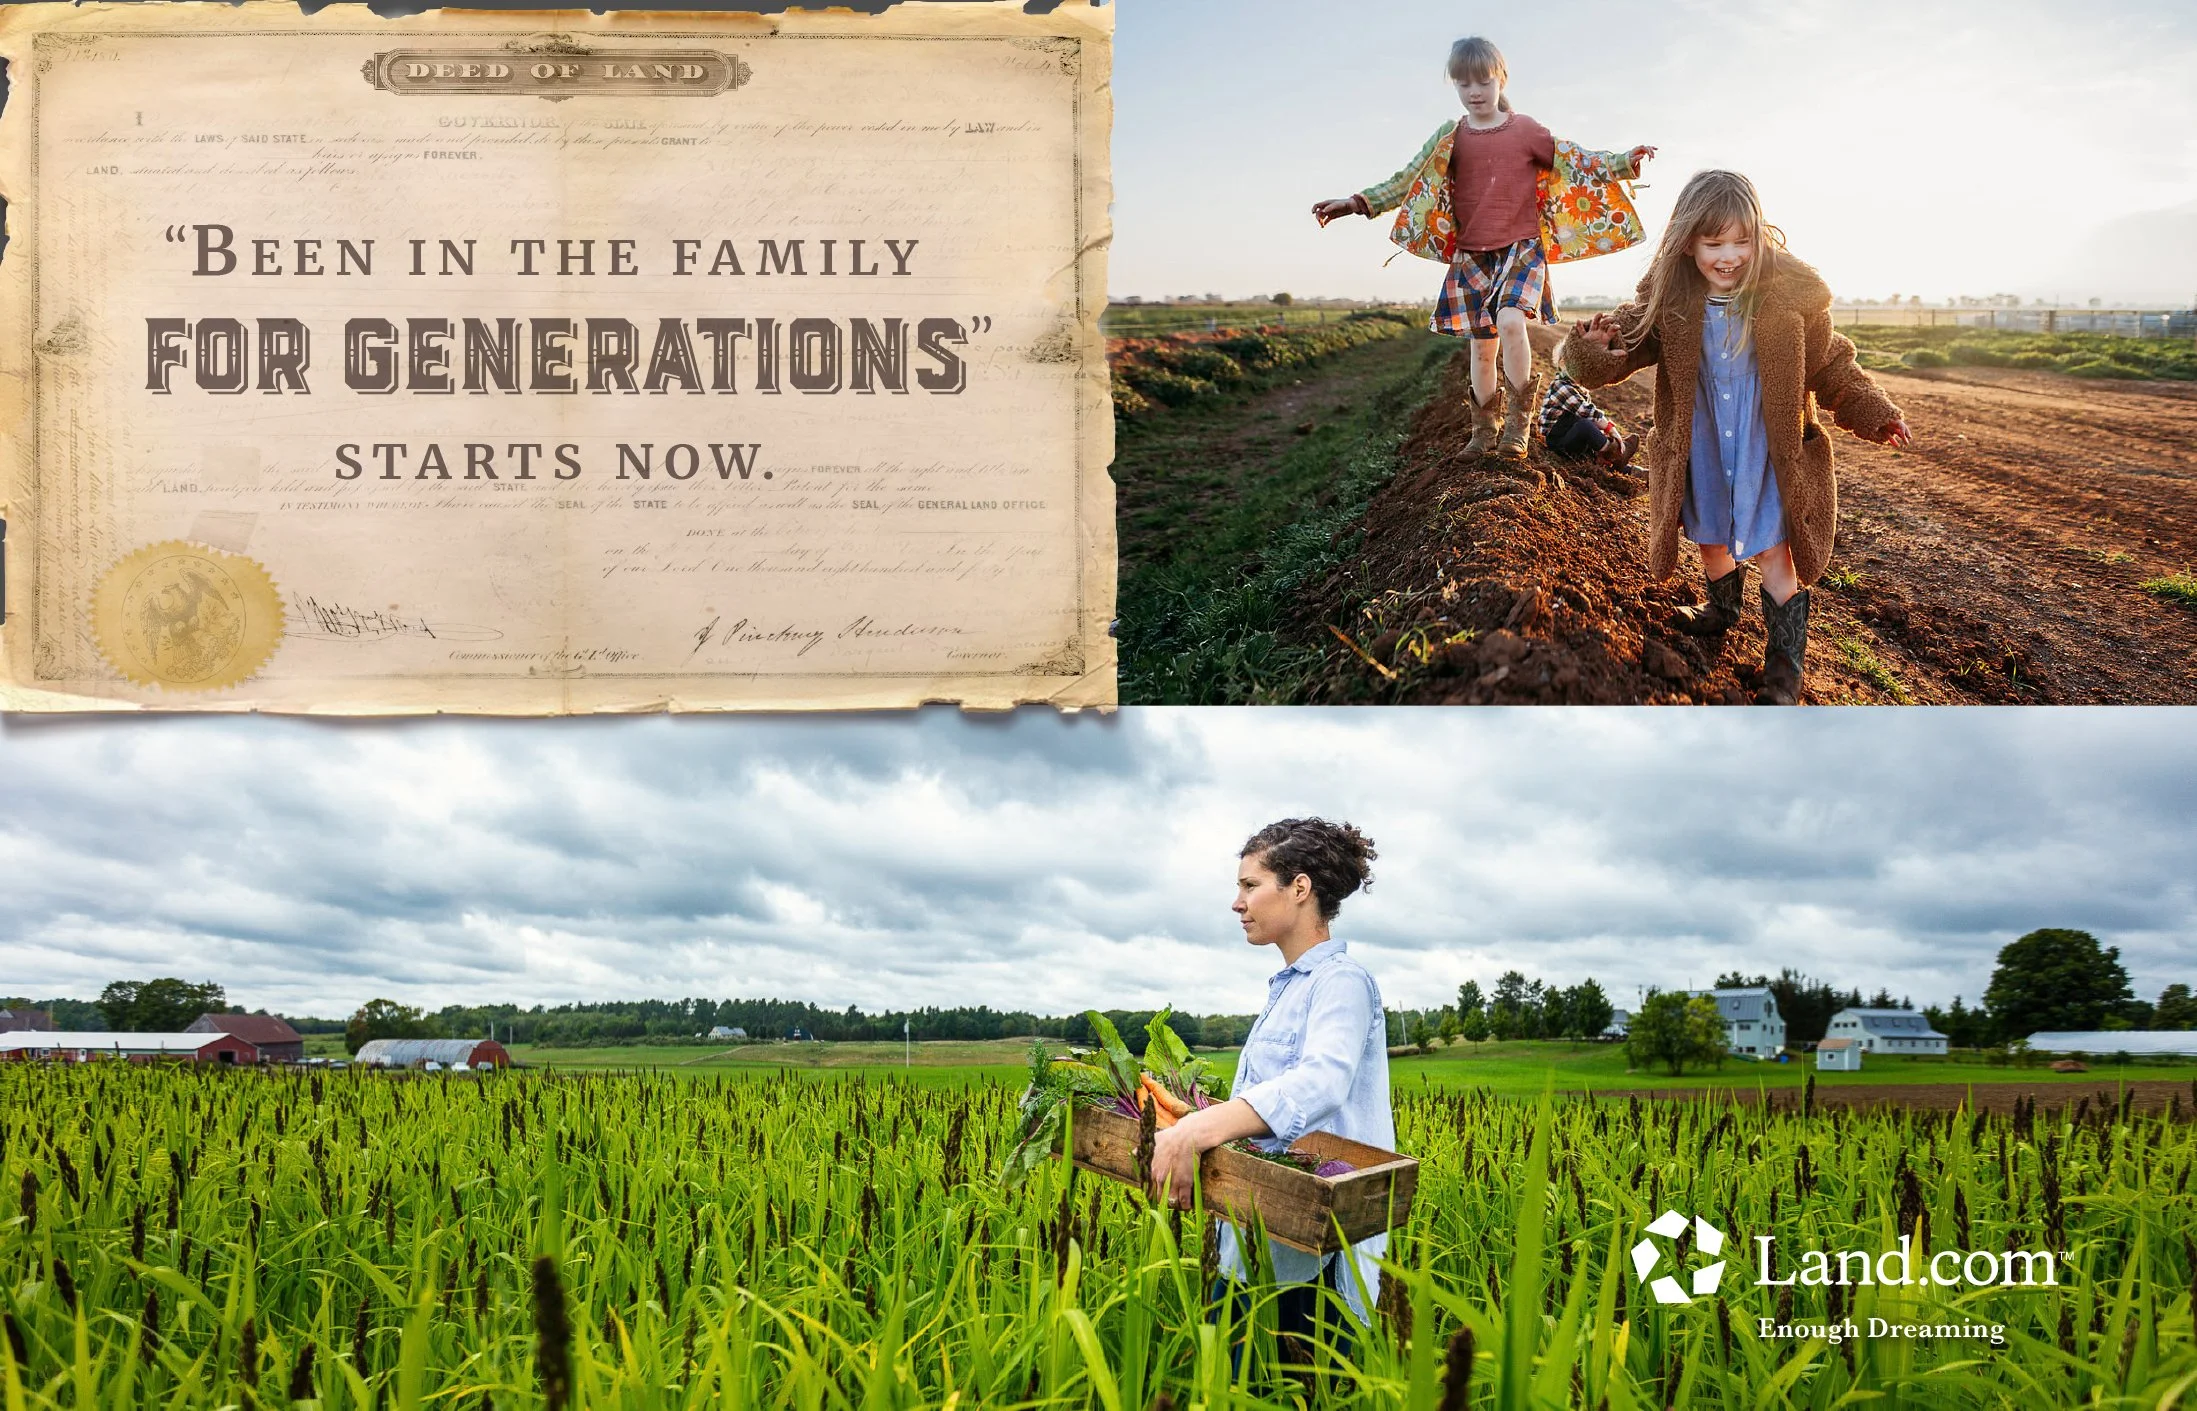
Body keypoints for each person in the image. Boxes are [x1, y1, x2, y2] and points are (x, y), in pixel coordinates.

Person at [1560, 169, 1913, 705]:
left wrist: (1873, 411)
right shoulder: (1670, 300)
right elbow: (1621, 349)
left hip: (1767, 449)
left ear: (1759, 237)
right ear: (1687, 244)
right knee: (1710, 535)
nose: (1729, 255)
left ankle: (1784, 667)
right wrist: (1595, 349)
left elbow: (1834, 366)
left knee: (1776, 553)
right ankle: (1720, 609)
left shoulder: (1789, 303)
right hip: (1701, 442)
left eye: (1741, 241)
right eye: (1713, 242)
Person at [1312, 37, 1655, 461]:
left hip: (1520, 248)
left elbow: (1574, 158)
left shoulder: (1524, 130)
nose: (1474, 92)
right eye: (1462, 84)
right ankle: (1483, 430)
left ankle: (1517, 424)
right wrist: (1356, 203)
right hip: (1473, 254)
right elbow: (1406, 180)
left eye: (1483, 82)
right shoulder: (1450, 135)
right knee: (1481, 345)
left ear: (1501, 79)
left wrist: (1623, 162)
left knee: (1511, 321)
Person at [1145, 817, 1390, 1366]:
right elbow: (1273, 1108)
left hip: (1311, 1260)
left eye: (1250, 885)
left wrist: (1200, 1130)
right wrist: (1198, 1114)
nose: (1237, 902)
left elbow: (1322, 1080)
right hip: (1255, 1240)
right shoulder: (1288, 988)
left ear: (1299, 889)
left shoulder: (1340, 981)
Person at [1539, 369, 1639, 469]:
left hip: (1570, 436)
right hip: (1558, 442)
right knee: (1584, 425)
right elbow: (1586, 412)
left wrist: (1600, 435)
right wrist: (1610, 428)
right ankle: (1615, 452)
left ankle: (1631, 470)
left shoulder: (1579, 389)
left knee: (1587, 427)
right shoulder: (1561, 386)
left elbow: (1591, 419)